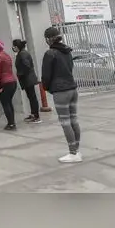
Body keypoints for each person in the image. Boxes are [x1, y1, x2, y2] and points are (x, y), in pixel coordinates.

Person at [41, 26, 82, 163]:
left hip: (60, 91)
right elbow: (70, 68)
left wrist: (47, 87)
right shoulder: (67, 51)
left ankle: (73, 153)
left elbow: (46, 75)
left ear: (48, 39)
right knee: (73, 120)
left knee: (65, 122)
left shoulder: (50, 53)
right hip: (72, 89)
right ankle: (76, 149)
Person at [0, 40, 19, 130]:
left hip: (4, 83)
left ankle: (11, 124)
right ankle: (12, 122)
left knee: (6, 104)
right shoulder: (6, 55)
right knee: (9, 103)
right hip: (12, 82)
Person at [12, 39, 41, 123]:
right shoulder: (22, 53)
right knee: (31, 97)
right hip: (28, 79)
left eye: (14, 46)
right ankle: (33, 114)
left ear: (17, 47)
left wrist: (21, 74)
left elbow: (27, 66)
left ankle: (36, 116)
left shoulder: (23, 54)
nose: (13, 48)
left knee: (32, 97)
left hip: (28, 79)